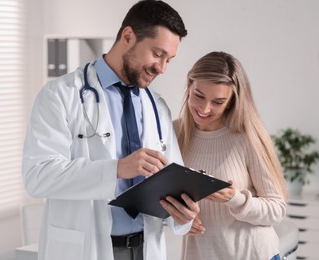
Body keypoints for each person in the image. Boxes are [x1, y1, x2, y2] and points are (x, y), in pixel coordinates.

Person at [22, 1, 199, 260]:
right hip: (86, 248)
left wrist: (182, 214)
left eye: (169, 60)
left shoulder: (157, 106)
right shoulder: (61, 95)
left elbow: (171, 178)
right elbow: (37, 176)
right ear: (127, 36)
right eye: (157, 54)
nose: (162, 68)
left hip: (145, 248)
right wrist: (116, 169)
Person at [173, 51, 288, 260]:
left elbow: (277, 209)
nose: (204, 109)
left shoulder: (247, 137)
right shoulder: (174, 133)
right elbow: (161, 199)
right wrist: (178, 219)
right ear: (189, 85)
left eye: (218, 102)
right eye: (199, 95)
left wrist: (235, 199)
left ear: (232, 101)